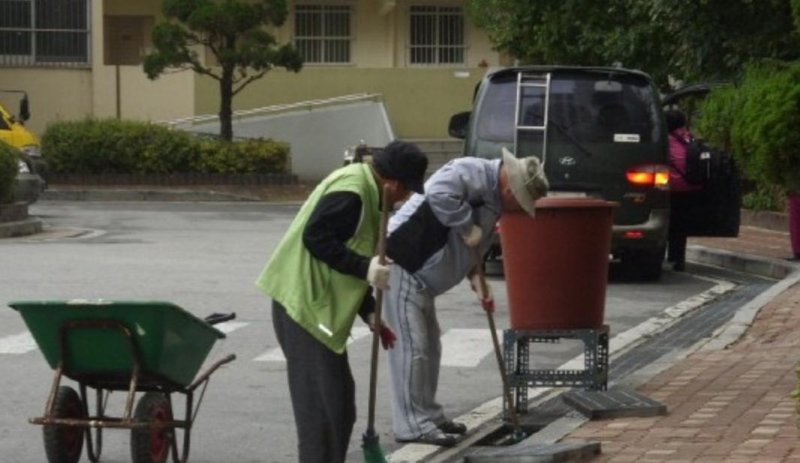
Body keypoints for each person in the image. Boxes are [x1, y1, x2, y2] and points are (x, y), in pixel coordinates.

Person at [255, 140, 428, 463]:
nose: (404, 199)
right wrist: (366, 269)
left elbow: (352, 246)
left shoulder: (368, 193)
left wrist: (368, 312)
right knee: (321, 412)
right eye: (406, 192)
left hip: (319, 311)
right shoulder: (354, 193)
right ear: (392, 183)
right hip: (303, 308)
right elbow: (316, 237)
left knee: (339, 407)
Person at [383, 147, 549, 446]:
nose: (518, 209)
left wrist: (478, 279)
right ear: (511, 188)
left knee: (430, 347)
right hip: (401, 265)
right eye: (520, 202)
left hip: (423, 279)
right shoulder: (469, 172)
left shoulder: (496, 201)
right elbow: (439, 196)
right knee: (412, 348)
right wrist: (466, 224)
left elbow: (474, 248)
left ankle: (429, 415)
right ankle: (411, 424)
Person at [665, 109, 702, 272]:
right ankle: (678, 258)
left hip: (671, 188)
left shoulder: (665, 141)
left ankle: (665, 256)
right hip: (691, 187)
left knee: (668, 224)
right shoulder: (689, 137)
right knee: (681, 227)